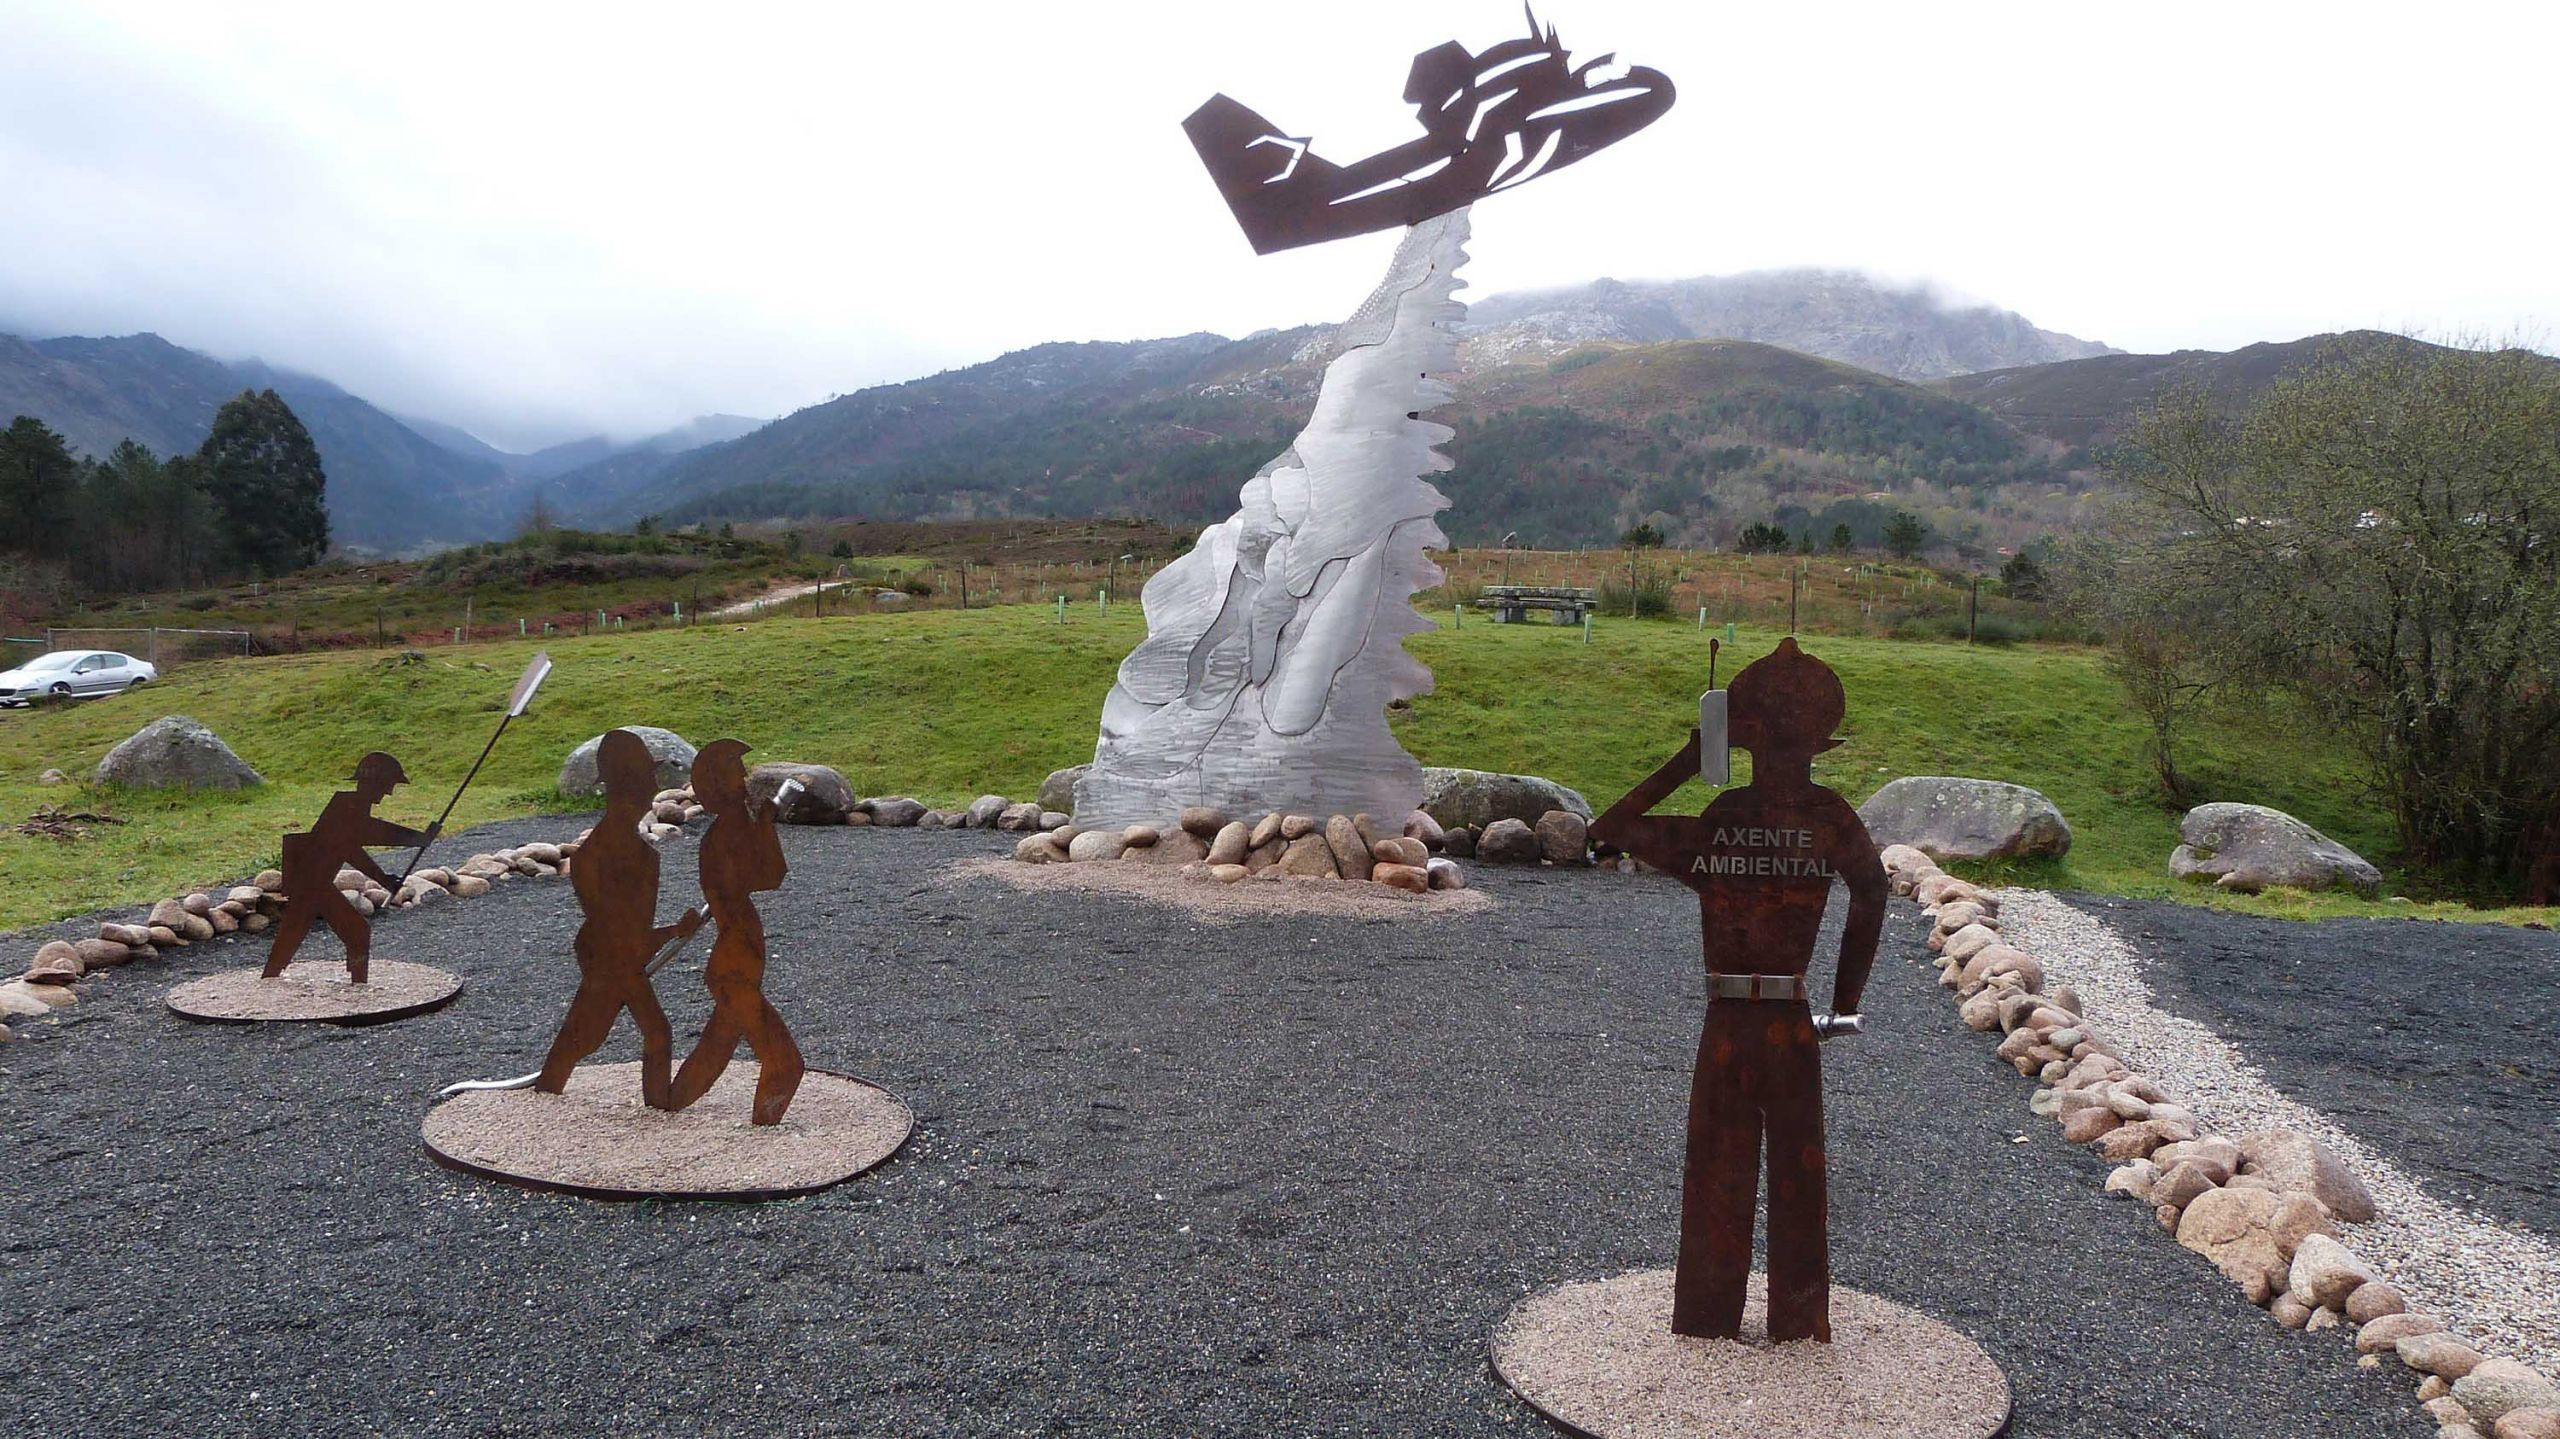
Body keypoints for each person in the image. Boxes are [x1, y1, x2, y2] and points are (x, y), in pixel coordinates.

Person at [1590, 637, 1887, 1343]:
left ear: (1743, 738)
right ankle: (1797, 1321)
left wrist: (1689, 760)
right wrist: (1844, 1004)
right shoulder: (1828, 816)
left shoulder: (1725, 818)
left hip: (1727, 1018)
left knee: (1717, 1173)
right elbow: (1871, 892)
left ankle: (1707, 1315)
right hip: (1790, 1018)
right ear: (1820, 742)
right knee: (1798, 1177)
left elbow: (1612, 828)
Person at [536, 730, 699, 1108]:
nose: (653, 787)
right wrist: (673, 932)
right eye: (646, 777)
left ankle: (656, 1101)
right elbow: (617, 932)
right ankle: (657, 1103)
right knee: (608, 1033)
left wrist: (673, 931)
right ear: (625, 784)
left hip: (617, 955)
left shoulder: (637, 850)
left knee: (587, 1035)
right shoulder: (600, 855)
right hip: (607, 960)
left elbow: (631, 930)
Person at [670, 740, 804, 1126]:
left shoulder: (735, 828)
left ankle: (666, 1102)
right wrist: (764, 826)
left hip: (739, 959)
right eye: (734, 772)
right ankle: (765, 1131)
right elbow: (766, 876)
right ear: (717, 784)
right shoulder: (722, 837)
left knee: (714, 1049)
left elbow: (772, 875)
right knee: (784, 1060)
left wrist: (763, 826)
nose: (744, 779)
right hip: (734, 964)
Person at [265, 751, 437, 985]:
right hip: (312, 880)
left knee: (293, 930)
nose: (388, 792)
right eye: (388, 785)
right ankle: (358, 985)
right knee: (356, 931)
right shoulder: (347, 806)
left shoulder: (351, 805)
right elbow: (365, 834)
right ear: (376, 782)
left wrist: (385, 878)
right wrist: (418, 838)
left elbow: (352, 847)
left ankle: (270, 976)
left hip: (311, 879)